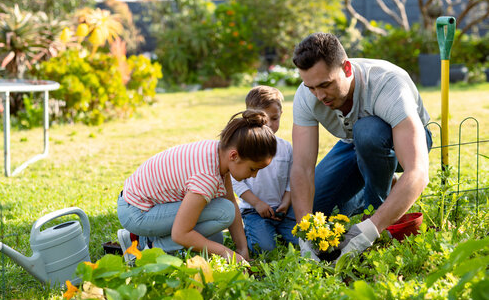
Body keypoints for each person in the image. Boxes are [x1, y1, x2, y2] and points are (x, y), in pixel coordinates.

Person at [290, 33, 432, 261]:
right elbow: (302, 169)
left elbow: (418, 171)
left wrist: (369, 230)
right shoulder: (306, 97)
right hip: (354, 145)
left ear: (347, 69)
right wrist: (306, 231)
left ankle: (378, 207)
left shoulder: (388, 84)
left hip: (405, 139)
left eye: (325, 85)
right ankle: (382, 185)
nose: (319, 95)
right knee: (313, 209)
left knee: (368, 131)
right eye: (311, 87)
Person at [117, 109, 277, 263]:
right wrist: (226, 252)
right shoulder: (207, 177)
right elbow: (180, 234)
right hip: (137, 212)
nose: (254, 175)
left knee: (215, 237)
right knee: (223, 212)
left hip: (139, 203)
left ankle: (137, 239)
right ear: (234, 155)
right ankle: (149, 249)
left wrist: (242, 251)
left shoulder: (219, 153)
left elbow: (231, 200)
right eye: (253, 169)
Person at [231, 86, 297, 253]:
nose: (269, 125)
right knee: (265, 248)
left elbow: (292, 178)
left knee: (300, 242)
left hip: (283, 210)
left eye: (274, 119)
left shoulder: (286, 147)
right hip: (255, 211)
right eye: (264, 120)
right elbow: (235, 182)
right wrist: (257, 203)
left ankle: (277, 232)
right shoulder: (245, 147)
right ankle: (252, 232)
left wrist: (286, 201)